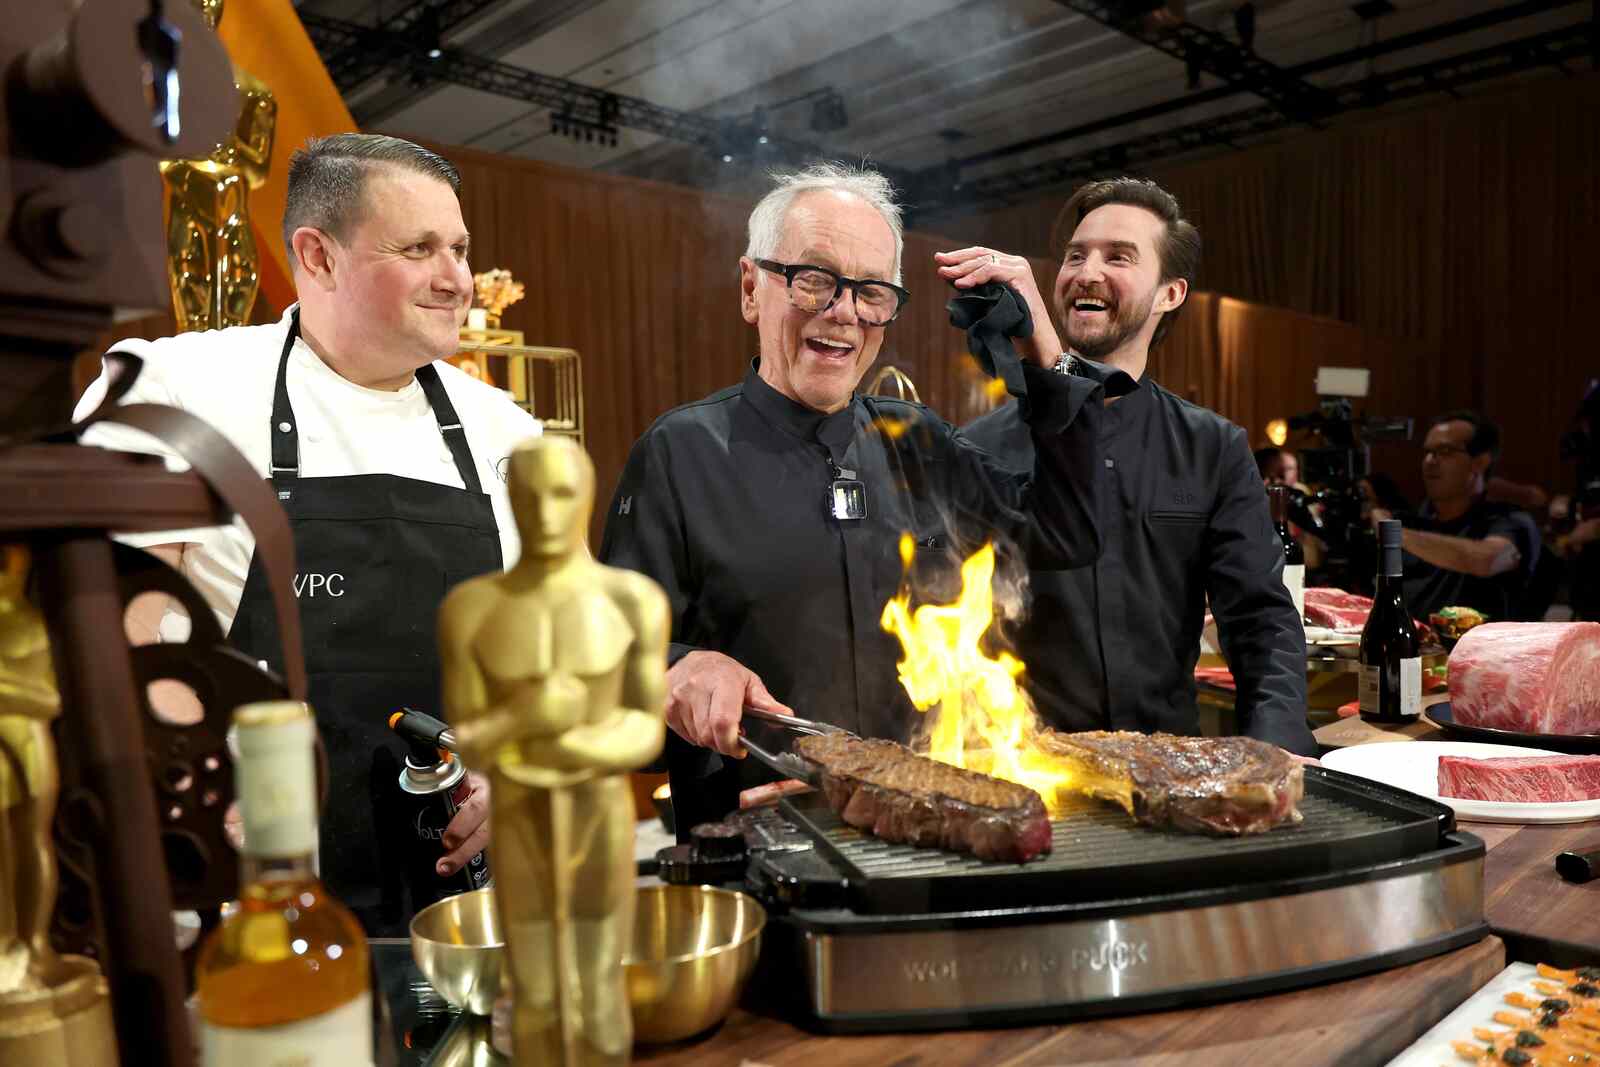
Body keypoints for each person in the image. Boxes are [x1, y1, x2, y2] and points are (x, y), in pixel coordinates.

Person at [74, 133, 542, 934]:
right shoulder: (180, 389)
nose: (457, 279)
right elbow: (112, 622)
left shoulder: (509, 436)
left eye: (460, 248)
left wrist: (517, 764)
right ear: (317, 257)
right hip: (237, 891)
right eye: (420, 248)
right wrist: (194, 769)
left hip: (454, 906)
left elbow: (538, 650)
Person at [598, 162, 1118, 834]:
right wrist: (676, 666)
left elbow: (1071, 533)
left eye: (872, 292)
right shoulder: (679, 452)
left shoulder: (919, 442)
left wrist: (1039, 347)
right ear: (752, 289)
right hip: (756, 846)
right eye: (814, 279)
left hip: (924, 837)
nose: (844, 311)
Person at [962, 178, 1314, 755]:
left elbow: (1260, 622)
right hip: (1029, 772)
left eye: (1118, 257)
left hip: (1169, 766)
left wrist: (1279, 751)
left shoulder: (1213, 448)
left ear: (1169, 293)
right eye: (1075, 255)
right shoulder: (980, 447)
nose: (1086, 271)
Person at [443, 438, 667, 1066]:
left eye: (561, 495)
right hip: (519, 813)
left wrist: (572, 740)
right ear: (512, 498)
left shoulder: (630, 602)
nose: (545, 514)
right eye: (529, 497)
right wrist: (526, 714)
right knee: (534, 986)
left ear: (587, 496)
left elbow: (645, 729)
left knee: (599, 984)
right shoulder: (473, 610)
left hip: (597, 812)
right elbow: (470, 733)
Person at [1372, 410, 1539, 621]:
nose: (1430, 461)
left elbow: (1487, 560)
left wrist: (1394, 535)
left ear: (1480, 462)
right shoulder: (1412, 521)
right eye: (1428, 452)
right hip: (1409, 648)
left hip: (1478, 651)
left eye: (1445, 451)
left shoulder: (1510, 521)